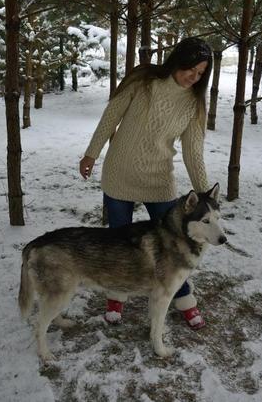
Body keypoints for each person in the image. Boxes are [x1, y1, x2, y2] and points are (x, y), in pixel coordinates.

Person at [79, 37, 213, 330]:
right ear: (178, 59)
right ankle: (117, 297)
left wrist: (205, 196)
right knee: (118, 243)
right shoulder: (143, 80)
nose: (194, 76)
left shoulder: (193, 104)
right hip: (119, 174)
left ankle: (184, 299)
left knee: (175, 246)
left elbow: (193, 152)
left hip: (159, 180)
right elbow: (110, 116)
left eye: (201, 73)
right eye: (191, 67)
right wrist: (91, 153)